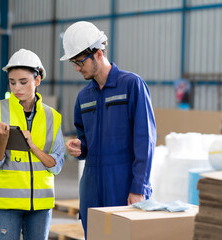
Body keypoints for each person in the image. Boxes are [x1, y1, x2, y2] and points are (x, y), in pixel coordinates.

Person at [60, 21, 156, 237]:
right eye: (73, 63)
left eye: (79, 61)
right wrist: (79, 146)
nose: (76, 68)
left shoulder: (132, 85)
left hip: (123, 186)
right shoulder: (84, 97)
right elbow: (85, 139)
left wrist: (138, 188)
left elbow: (145, 141)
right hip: (92, 189)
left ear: (98, 54)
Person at [0, 48, 65, 240]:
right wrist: (2, 141)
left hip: (40, 206)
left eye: (23, 82)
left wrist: (33, 147)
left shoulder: (53, 116)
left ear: (37, 81)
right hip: (5, 205)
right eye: (12, 82)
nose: (17, 88)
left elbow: (56, 166)